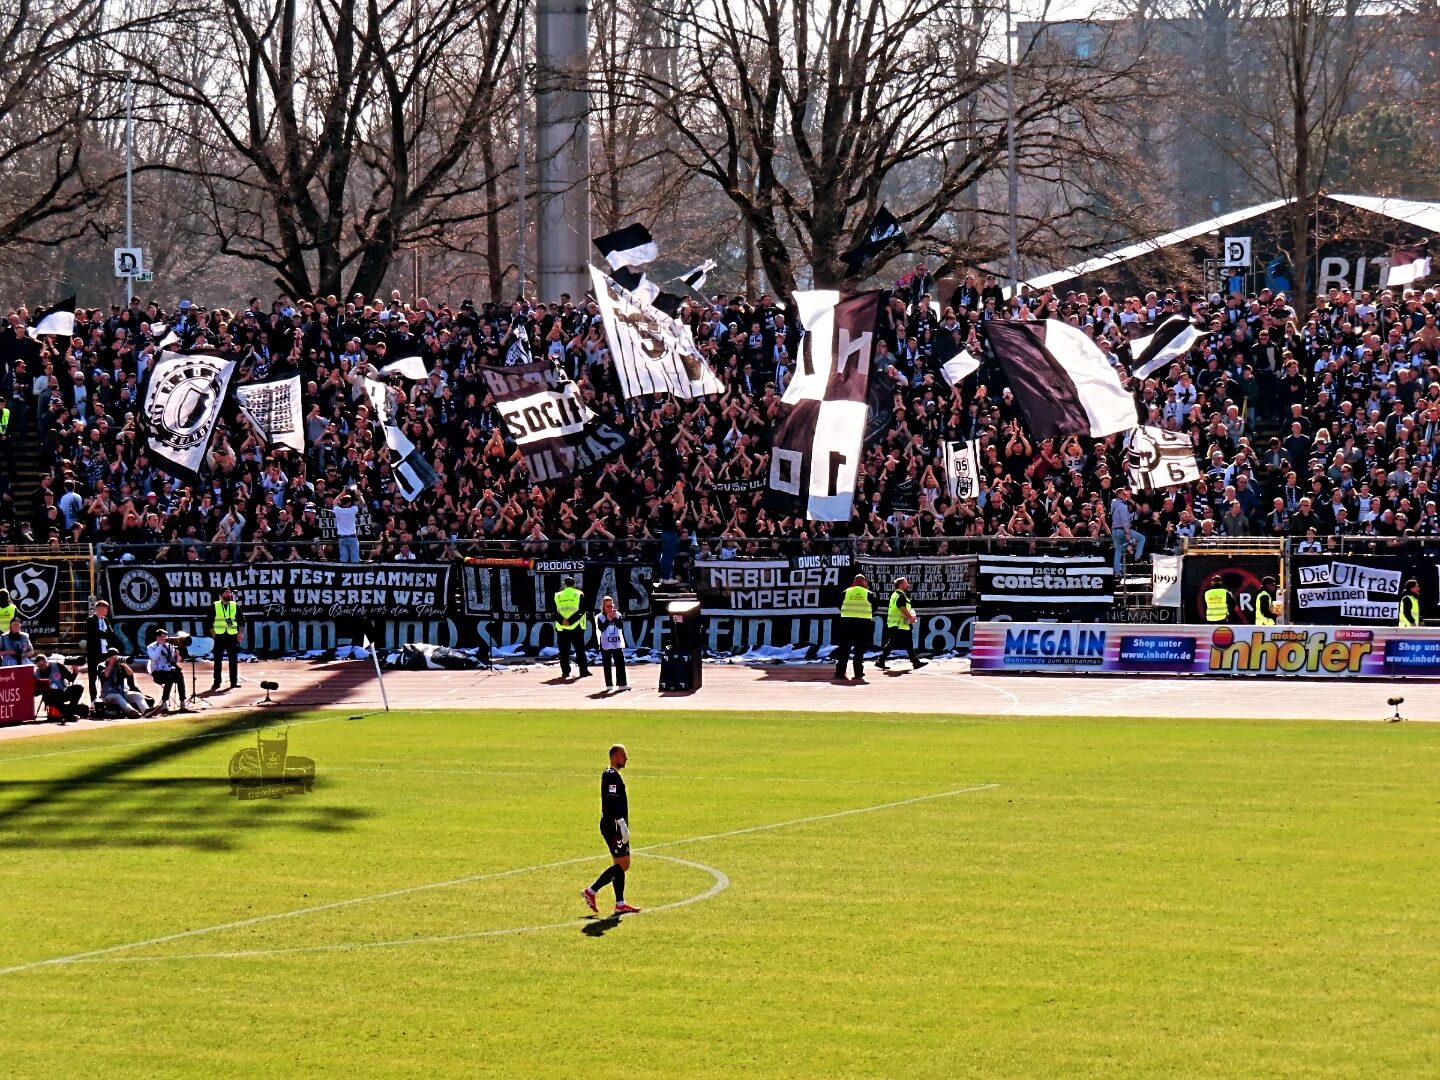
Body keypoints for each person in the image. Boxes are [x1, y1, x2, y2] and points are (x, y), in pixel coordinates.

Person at [581, 743, 642, 916]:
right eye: (624, 755)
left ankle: (620, 904)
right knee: (622, 864)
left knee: (621, 864)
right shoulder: (610, 776)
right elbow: (612, 801)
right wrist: (621, 824)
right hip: (613, 826)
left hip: (615, 825)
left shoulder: (613, 775)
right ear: (615, 756)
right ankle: (591, 891)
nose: (626, 759)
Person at [877, 576, 926, 671]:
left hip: (900, 624)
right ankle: (881, 660)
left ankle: (915, 662)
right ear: (901, 584)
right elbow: (902, 607)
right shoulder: (900, 596)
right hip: (899, 625)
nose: (908, 585)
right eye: (906, 583)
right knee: (895, 643)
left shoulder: (896, 595)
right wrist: (910, 617)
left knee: (907, 644)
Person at [833, 573, 874, 681]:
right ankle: (858, 672)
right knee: (859, 650)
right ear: (864, 583)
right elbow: (875, 607)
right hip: (863, 625)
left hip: (846, 624)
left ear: (855, 582)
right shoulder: (868, 593)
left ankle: (840, 672)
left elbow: (839, 604)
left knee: (844, 649)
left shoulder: (846, 592)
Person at [552, 575, 591, 680]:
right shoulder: (578, 594)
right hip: (576, 626)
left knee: (564, 651)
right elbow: (582, 610)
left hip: (562, 627)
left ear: (564, 585)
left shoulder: (558, 595)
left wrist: (562, 621)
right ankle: (583, 670)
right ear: (574, 584)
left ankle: (565, 672)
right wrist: (570, 621)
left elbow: (553, 611)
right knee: (579, 650)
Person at [146, 628, 191, 713]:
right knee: (169, 678)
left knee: (179, 675)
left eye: (166, 636)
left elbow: (176, 660)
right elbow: (154, 657)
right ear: (158, 637)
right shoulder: (151, 647)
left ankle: (182, 702)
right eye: (163, 637)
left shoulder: (169, 646)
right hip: (157, 672)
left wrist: (178, 656)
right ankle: (164, 703)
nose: (165, 638)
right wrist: (160, 645)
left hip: (168, 669)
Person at [99, 648, 152, 718]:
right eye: (114, 657)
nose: (116, 659)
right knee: (117, 696)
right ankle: (131, 711)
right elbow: (105, 675)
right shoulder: (102, 665)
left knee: (137, 695)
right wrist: (110, 664)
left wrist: (124, 664)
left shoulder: (120, 666)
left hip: (121, 693)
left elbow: (130, 674)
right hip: (107, 695)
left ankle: (146, 711)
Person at [35, 654, 87, 723]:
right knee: (53, 694)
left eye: (42, 665)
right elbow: (35, 693)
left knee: (78, 688)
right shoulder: (37, 674)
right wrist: (42, 688)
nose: (41, 667)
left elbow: (70, 678)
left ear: (46, 661)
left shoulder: (57, 666)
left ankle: (71, 711)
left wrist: (75, 672)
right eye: (39, 666)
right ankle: (70, 715)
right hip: (50, 697)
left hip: (62, 692)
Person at [210, 586, 241, 692]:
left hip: (232, 636)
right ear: (221, 594)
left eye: (230, 592)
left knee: (233, 660)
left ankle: (234, 681)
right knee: (217, 660)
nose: (229, 594)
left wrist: (240, 633)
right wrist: (214, 635)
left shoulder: (234, 605)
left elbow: (241, 620)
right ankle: (217, 682)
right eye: (227, 592)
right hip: (219, 637)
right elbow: (208, 622)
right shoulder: (215, 606)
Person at [596, 595, 628, 692]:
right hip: (606, 643)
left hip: (616, 642)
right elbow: (601, 628)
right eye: (608, 606)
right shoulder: (600, 617)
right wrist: (608, 619)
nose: (610, 608)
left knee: (620, 663)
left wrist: (614, 618)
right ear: (604, 606)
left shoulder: (617, 614)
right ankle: (609, 684)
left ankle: (622, 684)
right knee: (607, 664)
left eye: (611, 605)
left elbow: (620, 626)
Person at [87, 598, 116, 702]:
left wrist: (106, 634)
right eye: (105, 609)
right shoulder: (91, 620)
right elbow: (96, 633)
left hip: (105, 653)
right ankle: (93, 699)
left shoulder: (106, 620)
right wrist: (106, 633)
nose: (107, 611)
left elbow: (111, 633)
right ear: (99, 609)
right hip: (94, 653)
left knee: (105, 675)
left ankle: (105, 696)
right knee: (93, 677)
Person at [332, 490, 361, 563]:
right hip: (352, 537)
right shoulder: (353, 510)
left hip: (342, 538)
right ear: (349, 503)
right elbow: (361, 503)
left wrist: (342, 493)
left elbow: (334, 502)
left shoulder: (338, 511)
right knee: (355, 560)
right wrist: (358, 495)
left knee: (343, 560)